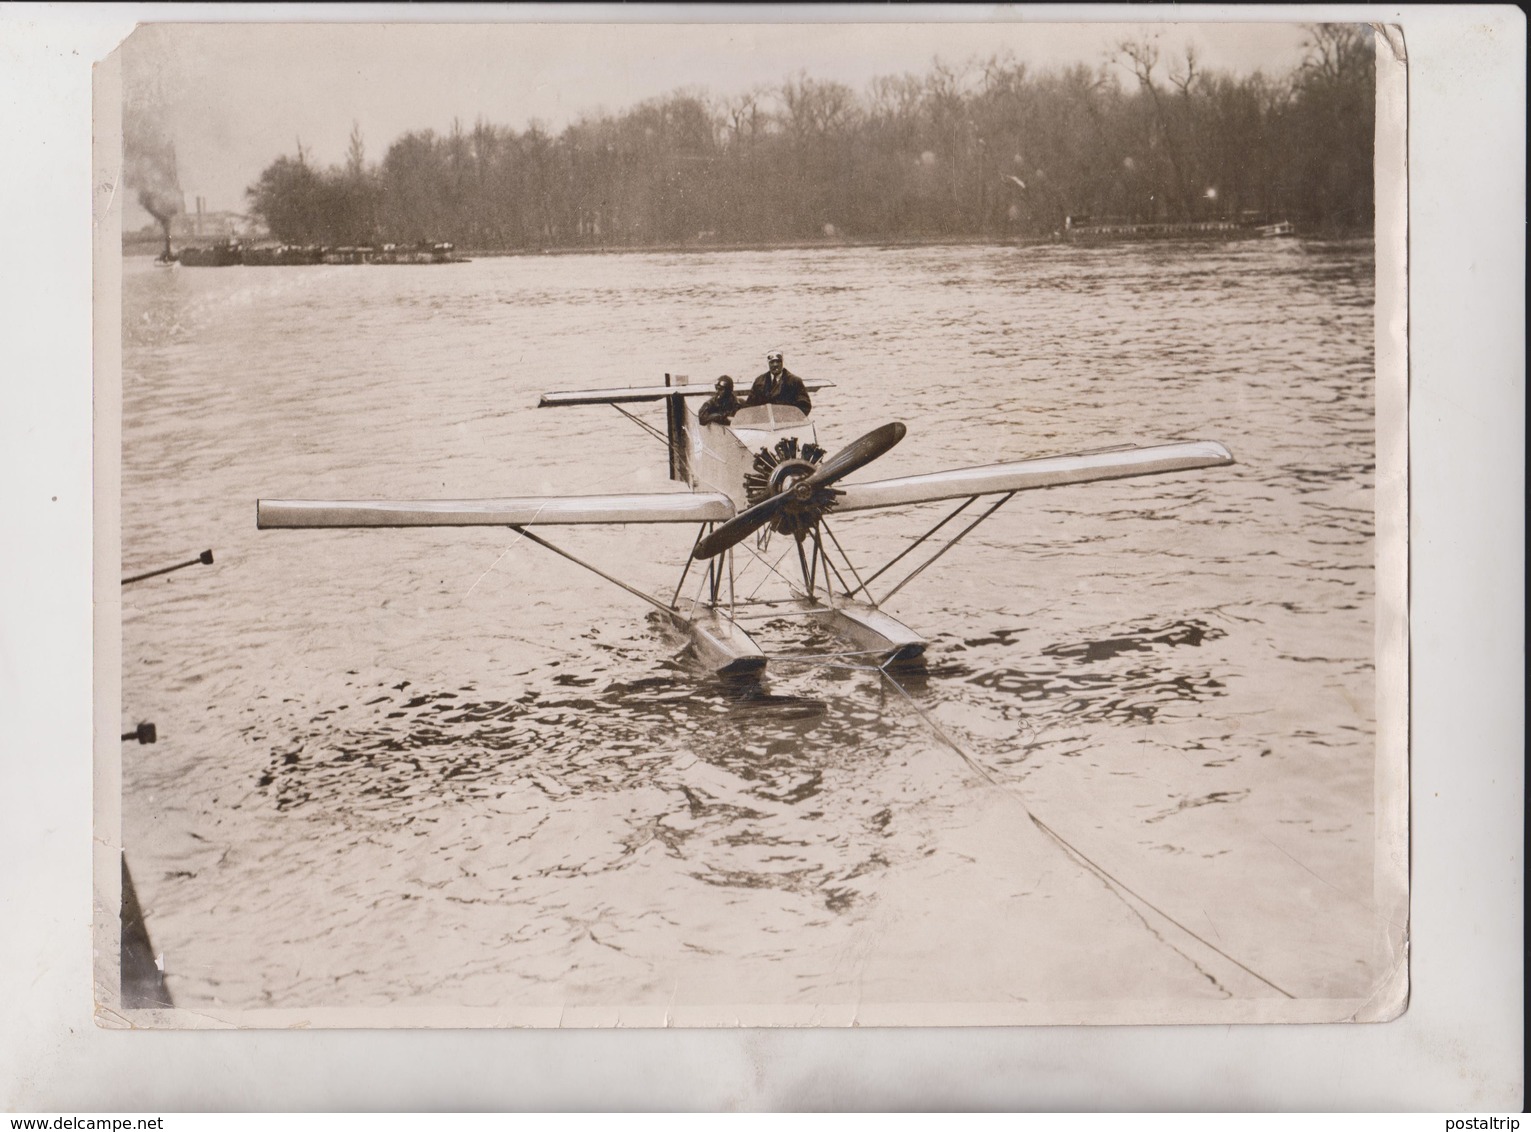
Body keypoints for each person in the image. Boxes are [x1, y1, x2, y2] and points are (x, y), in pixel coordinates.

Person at [744, 350, 812, 416]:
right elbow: (750, 405)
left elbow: (805, 405)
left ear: (782, 363)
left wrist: (791, 416)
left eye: (778, 362)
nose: (775, 365)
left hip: (787, 422)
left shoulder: (794, 381)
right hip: (765, 422)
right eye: (772, 362)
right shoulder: (759, 382)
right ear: (768, 363)